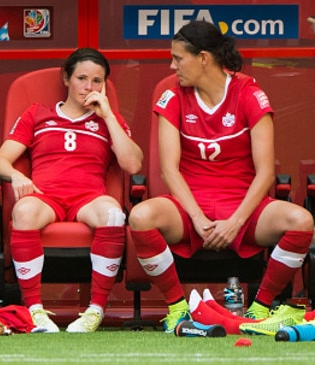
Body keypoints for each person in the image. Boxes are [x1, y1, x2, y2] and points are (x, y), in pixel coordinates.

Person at [128, 20, 314, 334]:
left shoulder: (249, 93)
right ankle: (177, 310)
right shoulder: (172, 96)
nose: (172, 66)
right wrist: (198, 218)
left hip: (243, 206)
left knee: (302, 221)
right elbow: (168, 170)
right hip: (190, 208)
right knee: (141, 216)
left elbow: (265, 171)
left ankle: (258, 310)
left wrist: (236, 221)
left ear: (203, 58)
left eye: (178, 58)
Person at [0, 48, 143, 333]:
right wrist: (15, 176)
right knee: (23, 211)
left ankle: (95, 311)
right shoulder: (38, 113)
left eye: (97, 81)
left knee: (112, 214)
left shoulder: (109, 121)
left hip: (88, 198)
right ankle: (35, 310)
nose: (89, 87)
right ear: (66, 79)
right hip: (46, 196)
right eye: (82, 78)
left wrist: (108, 116)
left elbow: (132, 164)